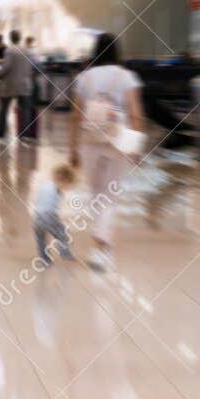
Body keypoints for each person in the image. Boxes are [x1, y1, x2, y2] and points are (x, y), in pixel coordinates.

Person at [68, 32, 143, 272]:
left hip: (90, 140)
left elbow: (75, 116)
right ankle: (101, 246)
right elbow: (136, 114)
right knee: (110, 194)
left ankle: (101, 241)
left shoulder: (84, 78)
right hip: (118, 141)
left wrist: (72, 149)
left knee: (96, 192)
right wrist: (134, 146)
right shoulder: (127, 77)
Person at [0, 29, 35, 141]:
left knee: (4, 108)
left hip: (10, 84)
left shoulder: (10, 51)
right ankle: (24, 134)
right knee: (25, 110)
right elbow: (33, 67)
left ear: (10, 38)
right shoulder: (28, 50)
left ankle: (1, 132)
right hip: (25, 84)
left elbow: (7, 67)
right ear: (19, 38)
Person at [32, 163, 78, 266]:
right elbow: (53, 208)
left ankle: (45, 260)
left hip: (36, 217)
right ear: (63, 180)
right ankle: (64, 253)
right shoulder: (58, 189)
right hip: (49, 216)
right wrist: (56, 219)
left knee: (41, 240)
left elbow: (38, 200)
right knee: (63, 234)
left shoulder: (44, 185)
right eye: (68, 185)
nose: (67, 188)